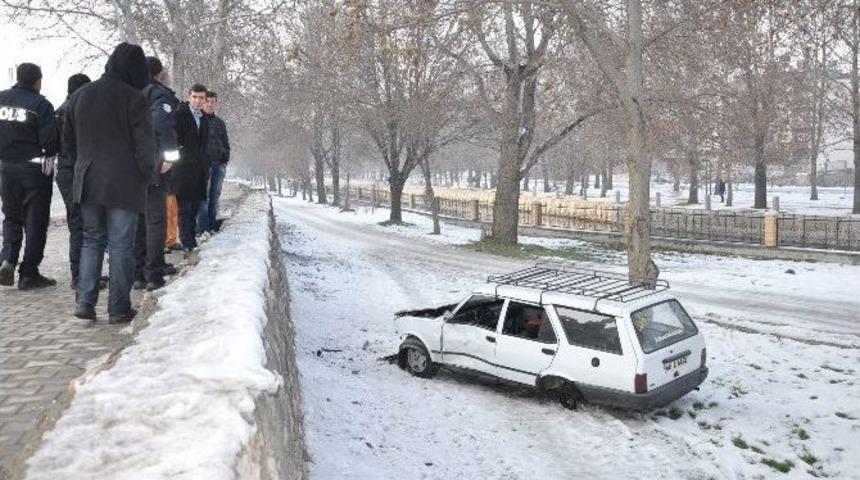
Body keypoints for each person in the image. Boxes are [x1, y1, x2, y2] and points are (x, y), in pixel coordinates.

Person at [64, 42, 156, 323]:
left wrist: (83, 166)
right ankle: (118, 309)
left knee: (91, 241)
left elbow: (68, 143)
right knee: (120, 245)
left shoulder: (80, 96)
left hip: (88, 179)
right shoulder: (134, 98)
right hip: (124, 183)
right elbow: (145, 146)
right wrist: (148, 175)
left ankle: (85, 302)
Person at [0, 63, 60, 289]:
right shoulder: (40, 104)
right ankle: (29, 273)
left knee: (12, 217)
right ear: (38, 80)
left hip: (6, 168)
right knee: (35, 222)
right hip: (34, 171)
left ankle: (7, 260)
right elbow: (49, 142)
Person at [134, 57, 179, 291]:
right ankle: (153, 273)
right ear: (159, 73)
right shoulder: (157, 94)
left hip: (131, 168)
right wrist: (169, 158)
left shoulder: (128, 91)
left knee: (138, 221)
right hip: (154, 165)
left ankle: (138, 273)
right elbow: (163, 123)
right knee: (155, 220)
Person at [55, 73, 92, 290]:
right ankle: (79, 276)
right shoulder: (79, 110)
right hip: (75, 170)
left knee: (77, 222)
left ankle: (80, 273)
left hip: (66, 171)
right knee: (81, 224)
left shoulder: (59, 110)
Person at [172, 83, 209, 255]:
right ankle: (187, 242)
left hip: (199, 169)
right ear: (189, 97)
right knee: (184, 207)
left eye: (201, 97)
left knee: (195, 205)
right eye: (194, 96)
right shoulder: (180, 114)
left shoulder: (204, 118)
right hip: (183, 168)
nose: (198, 100)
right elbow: (173, 137)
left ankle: (190, 238)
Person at [196, 90, 230, 235]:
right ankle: (202, 229)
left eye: (213, 102)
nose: (210, 105)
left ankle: (211, 226)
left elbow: (225, 143)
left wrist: (225, 159)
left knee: (215, 196)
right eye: (207, 101)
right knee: (203, 197)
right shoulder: (197, 120)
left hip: (218, 164)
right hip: (203, 165)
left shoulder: (220, 122)